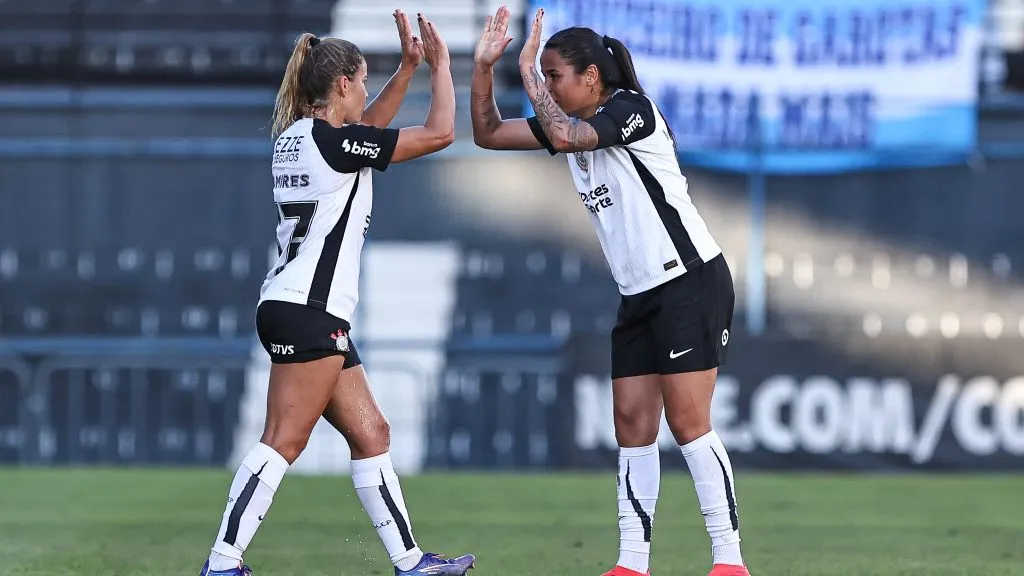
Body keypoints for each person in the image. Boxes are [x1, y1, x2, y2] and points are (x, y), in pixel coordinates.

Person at [471, 6, 751, 576]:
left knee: (689, 422)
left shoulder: (631, 111)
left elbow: (570, 136)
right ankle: (631, 563)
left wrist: (525, 73)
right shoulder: (571, 126)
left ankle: (728, 561)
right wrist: (482, 69)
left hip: (688, 280)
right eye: (544, 75)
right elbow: (489, 134)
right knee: (630, 423)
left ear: (591, 78)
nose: (548, 85)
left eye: (555, 76)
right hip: (640, 293)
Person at [199, 11, 475, 576]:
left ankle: (411, 562)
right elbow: (440, 134)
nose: (368, 90)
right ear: (343, 85)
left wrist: (406, 70)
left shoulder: (299, 139)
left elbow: (366, 133)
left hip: (292, 304)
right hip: (309, 310)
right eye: (365, 80)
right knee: (283, 441)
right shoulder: (334, 143)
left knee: (371, 431)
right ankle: (223, 563)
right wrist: (444, 68)